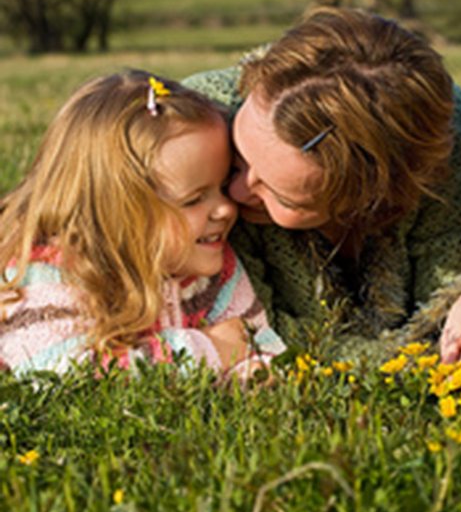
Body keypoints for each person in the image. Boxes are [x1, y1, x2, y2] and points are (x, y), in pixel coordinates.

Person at [184, 7, 461, 384]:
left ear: (373, 201)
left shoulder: (443, 139)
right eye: (238, 158)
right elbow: (258, 335)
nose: (233, 193)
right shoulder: (194, 132)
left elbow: (458, 255)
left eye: (284, 198)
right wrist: (426, 361)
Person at [0, 70, 285, 376]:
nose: (225, 209)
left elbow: (255, 343)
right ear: (113, 212)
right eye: (193, 200)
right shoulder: (53, 274)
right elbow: (62, 375)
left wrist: (255, 374)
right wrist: (210, 350)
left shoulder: (211, 266)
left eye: (224, 183)